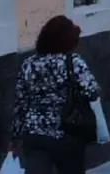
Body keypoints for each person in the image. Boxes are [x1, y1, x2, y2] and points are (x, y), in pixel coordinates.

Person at [10, 15, 101, 174]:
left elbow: (20, 103)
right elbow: (92, 91)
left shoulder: (29, 64)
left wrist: (15, 136)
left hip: (35, 132)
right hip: (67, 131)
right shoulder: (73, 63)